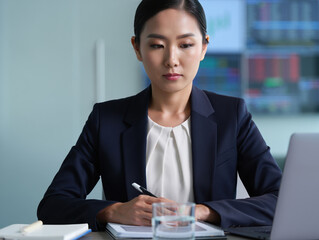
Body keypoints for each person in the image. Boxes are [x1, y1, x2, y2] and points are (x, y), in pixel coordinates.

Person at [37, 0, 282, 232]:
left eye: (185, 45)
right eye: (157, 45)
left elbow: (280, 200)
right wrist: (115, 211)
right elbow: (53, 205)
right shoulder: (106, 119)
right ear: (137, 48)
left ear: (204, 47)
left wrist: (202, 212)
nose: (171, 60)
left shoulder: (232, 115)